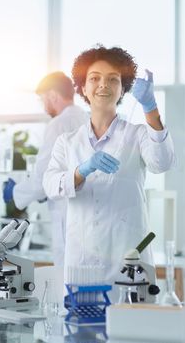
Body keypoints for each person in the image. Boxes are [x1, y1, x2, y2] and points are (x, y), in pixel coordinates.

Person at [43, 45, 175, 299]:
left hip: (128, 263)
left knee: (132, 333)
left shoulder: (136, 134)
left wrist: (150, 107)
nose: (103, 85)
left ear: (123, 88)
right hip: (82, 266)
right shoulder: (67, 141)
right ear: (82, 87)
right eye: (94, 78)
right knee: (81, 333)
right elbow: (50, 185)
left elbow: (162, 162)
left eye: (113, 79)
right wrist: (82, 171)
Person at [3, 72, 88, 266]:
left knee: (68, 274)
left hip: (66, 212)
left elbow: (44, 177)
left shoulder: (58, 124)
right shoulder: (85, 118)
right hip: (85, 213)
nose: (43, 105)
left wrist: (15, 192)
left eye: (43, 99)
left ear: (52, 95)